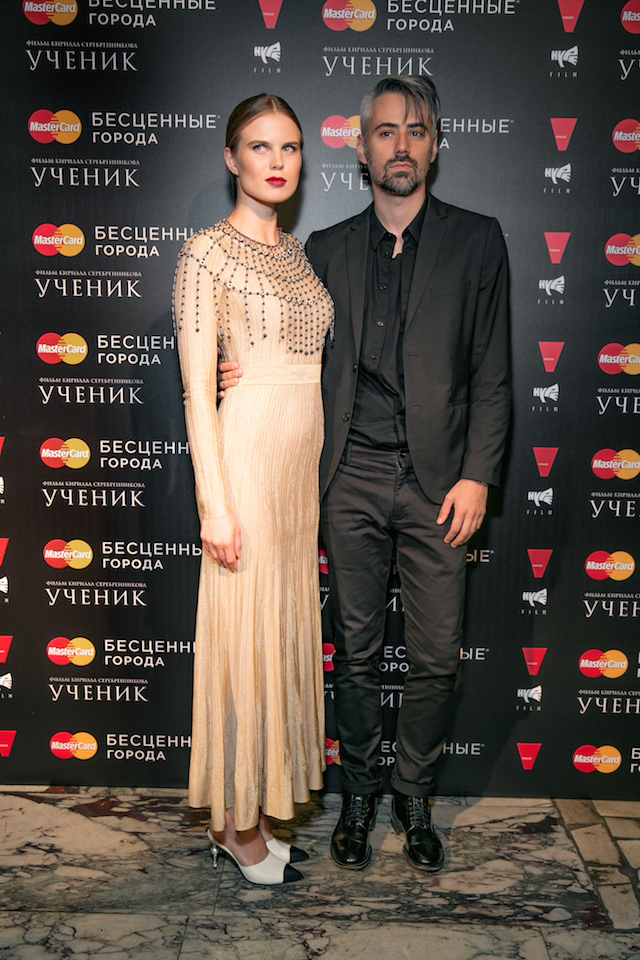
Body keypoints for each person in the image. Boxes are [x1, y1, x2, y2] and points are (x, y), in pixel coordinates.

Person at [219, 76, 511, 874]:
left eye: (416, 130)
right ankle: (357, 797)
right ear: (361, 147)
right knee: (352, 654)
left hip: (440, 484)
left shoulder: (478, 240)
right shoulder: (324, 249)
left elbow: (492, 373)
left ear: (436, 145)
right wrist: (227, 370)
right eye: (386, 131)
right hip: (345, 476)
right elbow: (277, 343)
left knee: (437, 656)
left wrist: (478, 475)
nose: (401, 145)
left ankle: (413, 796)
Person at [173, 94, 334, 885]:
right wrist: (216, 506)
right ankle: (234, 826)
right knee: (244, 644)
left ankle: (258, 811)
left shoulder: (300, 254)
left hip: (298, 478)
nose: (277, 161)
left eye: (291, 147)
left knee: (277, 638)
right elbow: (197, 390)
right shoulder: (205, 253)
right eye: (260, 146)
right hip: (245, 463)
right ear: (231, 158)